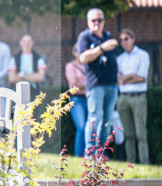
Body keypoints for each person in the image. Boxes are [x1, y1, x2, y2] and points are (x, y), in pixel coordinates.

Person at [77, 8, 120, 155]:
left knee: (107, 121)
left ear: (103, 22)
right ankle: (90, 154)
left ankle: (101, 154)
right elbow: (83, 58)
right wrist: (102, 48)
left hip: (112, 85)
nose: (96, 23)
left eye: (99, 20)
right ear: (88, 22)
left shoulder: (107, 35)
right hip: (96, 85)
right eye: (93, 20)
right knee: (95, 119)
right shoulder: (85, 37)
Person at [115, 28, 150, 164]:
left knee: (141, 133)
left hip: (138, 96)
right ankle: (131, 162)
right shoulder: (120, 58)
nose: (124, 42)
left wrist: (126, 78)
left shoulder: (143, 55)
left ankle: (144, 162)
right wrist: (130, 76)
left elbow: (141, 78)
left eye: (126, 39)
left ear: (133, 39)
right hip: (123, 97)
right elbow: (119, 79)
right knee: (127, 133)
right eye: (121, 40)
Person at [64, 44, 88, 157]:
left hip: (90, 99)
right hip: (77, 100)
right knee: (81, 127)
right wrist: (89, 84)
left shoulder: (89, 66)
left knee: (91, 129)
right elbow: (73, 87)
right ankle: (79, 157)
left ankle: (90, 156)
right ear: (74, 52)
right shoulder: (71, 66)